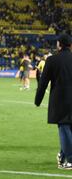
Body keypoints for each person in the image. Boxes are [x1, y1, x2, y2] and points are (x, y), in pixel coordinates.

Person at [35, 33, 72, 170]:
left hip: (60, 99)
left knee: (64, 127)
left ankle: (69, 160)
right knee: (69, 128)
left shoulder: (52, 60)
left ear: (59, 45)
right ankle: (63, 156)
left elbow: (43, 82)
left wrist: (38, 100)